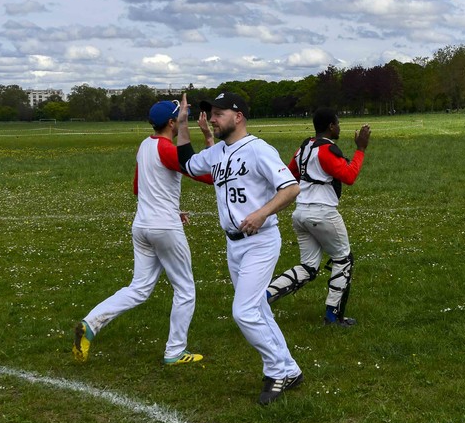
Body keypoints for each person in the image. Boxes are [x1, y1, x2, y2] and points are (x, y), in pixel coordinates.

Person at [179, 92, 305, 405]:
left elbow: (291, 187)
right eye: (211, 113)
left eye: (219, 113)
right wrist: (182, 124)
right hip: (234, 244)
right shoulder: (218, 152)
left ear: (239, 116)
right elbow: (186, 164)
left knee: (245, 311)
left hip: (260, 242)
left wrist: (263, 212)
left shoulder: (259, 149)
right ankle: (290, 367)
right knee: (258, 309)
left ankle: (277, 371)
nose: (213, 118)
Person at [74, 99, 211, 366]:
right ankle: (174, 352)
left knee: (138, 288)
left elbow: (139, 188)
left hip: (142, 226)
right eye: (181, 120)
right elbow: (208, 175)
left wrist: (172, 206)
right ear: (172, 123)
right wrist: (209, 139)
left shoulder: (145, 145)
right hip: (164, 227)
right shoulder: (168, 149)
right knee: (185, 289)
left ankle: (90, 324)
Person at [266, 108, 371, 326]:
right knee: (343, 259)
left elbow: (289, 175)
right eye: (338, 123)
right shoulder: (326, 150)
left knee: (308, 266)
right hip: (323, 213)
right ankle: (333, 316)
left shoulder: (303, 148)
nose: (339, 127)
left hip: (300, 213)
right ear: (331, 127)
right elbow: (349, 176)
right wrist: (361, 149)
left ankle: (264, 297)